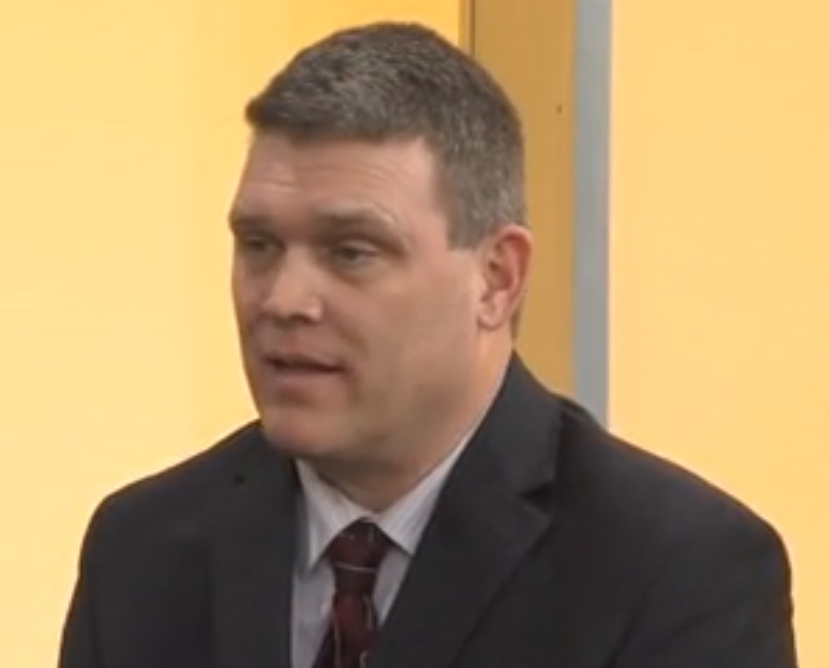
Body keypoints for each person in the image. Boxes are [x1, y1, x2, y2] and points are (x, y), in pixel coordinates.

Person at [58, 21, 797, 668]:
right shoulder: (141, 551)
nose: (282, 299)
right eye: (258, 244)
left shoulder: (675, 572)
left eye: (351, 251)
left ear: (496, 279)